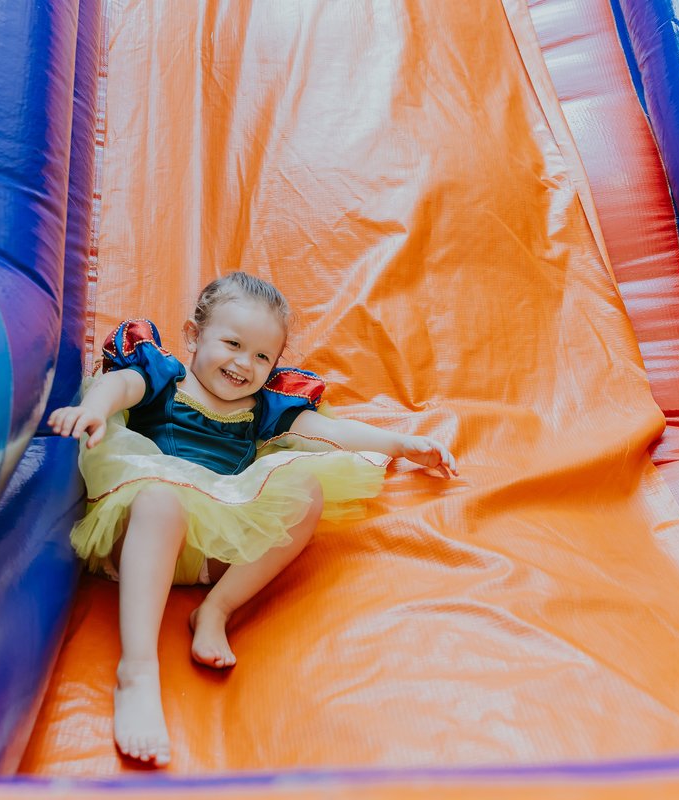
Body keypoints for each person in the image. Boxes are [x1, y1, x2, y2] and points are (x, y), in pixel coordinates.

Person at [47, 272, 458, 767]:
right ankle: (136, 672)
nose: (245, 363)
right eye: (233, 344)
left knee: (306, 492)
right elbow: (120, 384)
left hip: (216, 555)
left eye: (262, 356)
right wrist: (95, 408)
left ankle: (216, 610)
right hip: (143, 542)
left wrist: (402, 444)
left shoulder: (264, 408)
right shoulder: (163, 377)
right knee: (161, 500)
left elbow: (330, 432)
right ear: (194, 335)